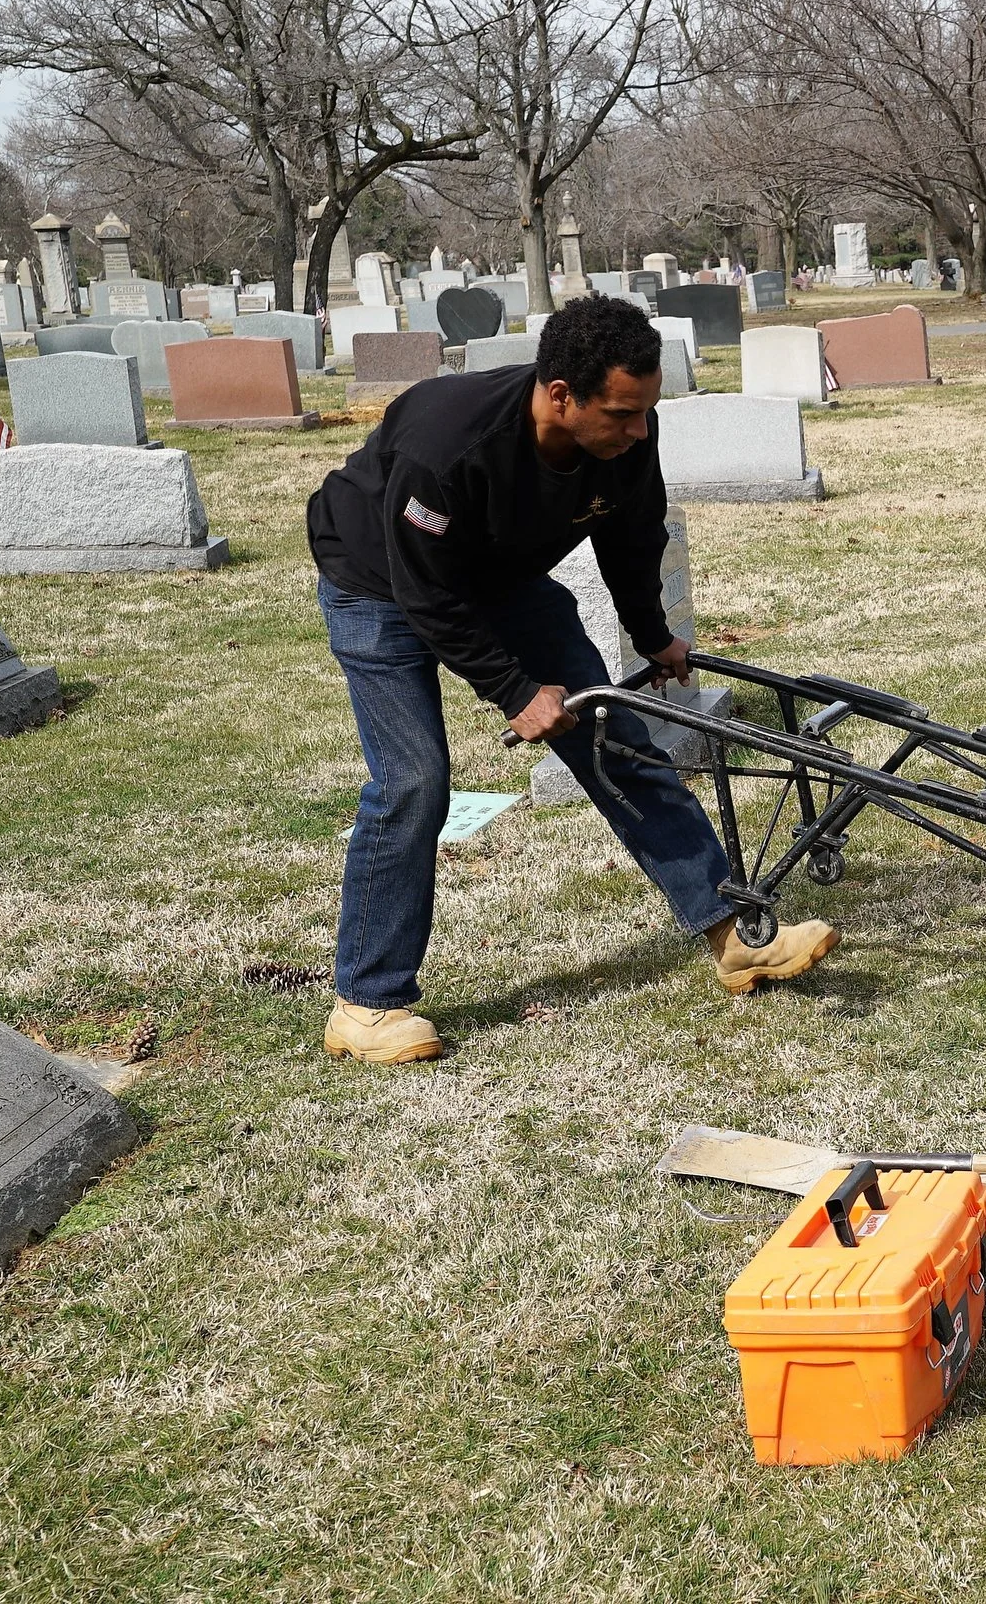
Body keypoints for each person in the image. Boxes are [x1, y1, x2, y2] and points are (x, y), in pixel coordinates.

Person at [306, 295, 838, 1065]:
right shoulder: (447, 442)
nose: (639, 431)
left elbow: (631, 537)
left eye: (645, 413)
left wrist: (655, 638)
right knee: (414, 779)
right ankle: (366, 1001)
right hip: (377, 582)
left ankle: (735, 935)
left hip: (502, 575)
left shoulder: (625, 440)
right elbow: (426, 592)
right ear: (562, 396)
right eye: (622, 414)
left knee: (616, 735)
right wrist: (516, 692)